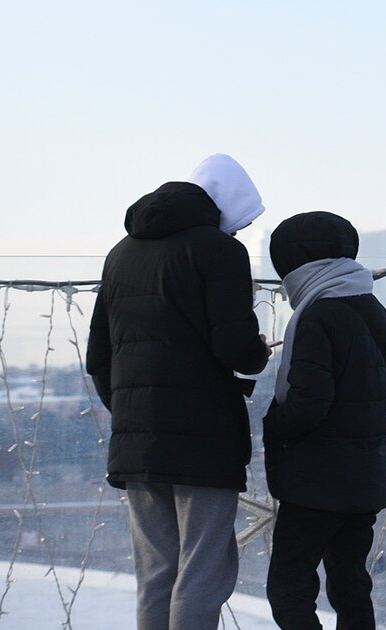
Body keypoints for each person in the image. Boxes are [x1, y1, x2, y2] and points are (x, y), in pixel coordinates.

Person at [86, 154, 271, 630]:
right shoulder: (219, 252)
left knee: (156, 575)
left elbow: (98, 358)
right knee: (200, 574)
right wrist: (258, 354)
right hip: (205, 441)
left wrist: (132, 411)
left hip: (137, 440)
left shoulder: (120, 253)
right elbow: (235, 348)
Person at [262, 211, 386, 629]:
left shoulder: (317, 316)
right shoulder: (372, 307)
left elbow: (308, 403)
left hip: (315, 485)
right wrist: (358, 426)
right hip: (366, 480)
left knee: (289, 588)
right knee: (350, 585)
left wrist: (274, 426)